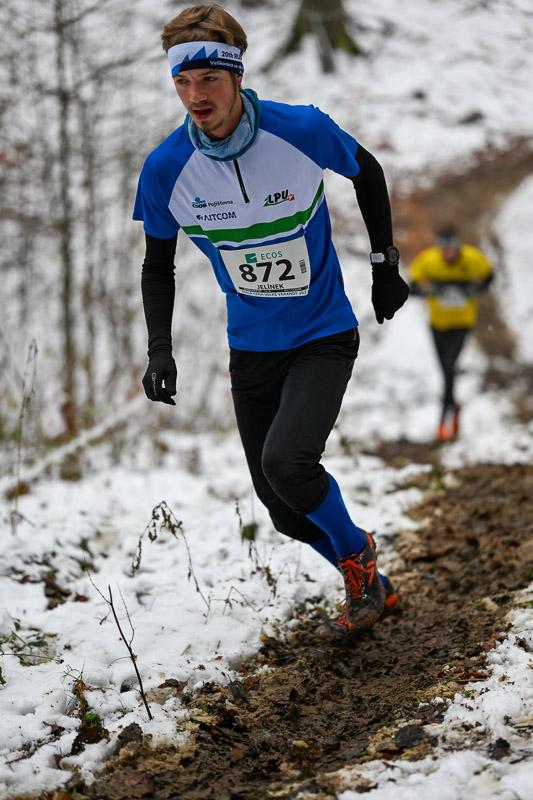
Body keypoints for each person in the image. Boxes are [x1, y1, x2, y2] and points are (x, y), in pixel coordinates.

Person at [133, 4, 408, 633]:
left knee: (288, 464)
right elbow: (157, 264)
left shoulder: (298, 129)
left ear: (237, 76)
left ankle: (357, 556)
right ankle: (372, 582)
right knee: (282, 510)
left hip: (322, 334)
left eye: (209, 79)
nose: (196, 97)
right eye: (182, 82)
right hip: (251, 347)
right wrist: (159, 347)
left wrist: (384, 264)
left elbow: (367, 171)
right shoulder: (167, 168)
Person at [409, 224, 493, 441]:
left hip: (462, 323)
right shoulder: (428, 260)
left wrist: (473, 289)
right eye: (443, 246)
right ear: (438, 246)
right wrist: (429, 290)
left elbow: (489, 276)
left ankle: (444, 418)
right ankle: (453, 408)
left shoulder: (472, 259)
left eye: (451, 246)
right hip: (437, 324)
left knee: (449, 365)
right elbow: (412, 285)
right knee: (446, 369)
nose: (447, 251)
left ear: (458, 245)